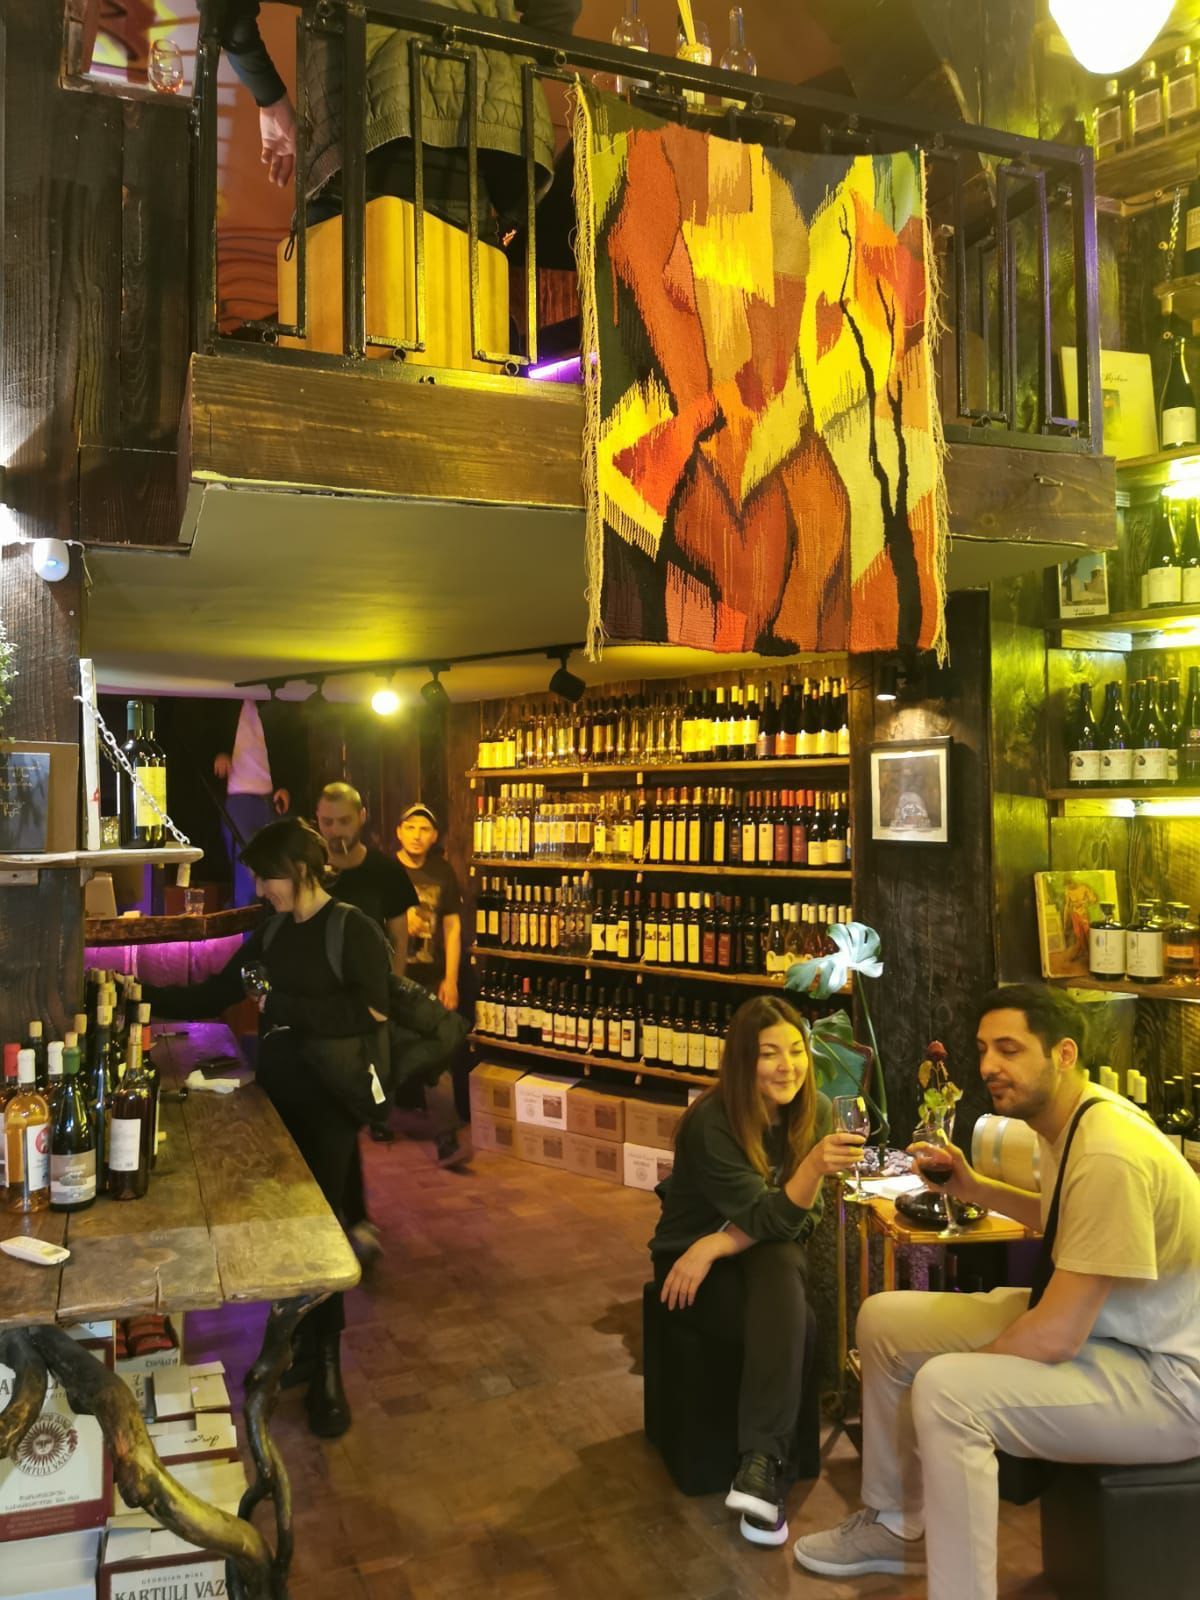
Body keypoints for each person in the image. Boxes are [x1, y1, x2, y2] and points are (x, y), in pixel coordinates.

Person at [793, 984, 1200, 1600]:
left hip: (1167, 1379)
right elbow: (1064, 1220)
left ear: (1063, 1053)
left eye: (1009, 1049)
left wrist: (951, 1380)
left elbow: (1056, 1334)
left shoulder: (1108, 1150)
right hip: (1111, 1332)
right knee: (884, 1320)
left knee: (947, 1392)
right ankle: (898, 1526)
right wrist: (972, 1185)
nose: (988, 1066)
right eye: (984, 1049)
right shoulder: (1071, 1119)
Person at [141, 818, 391, 1441]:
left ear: (299, 870)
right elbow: (214, 993)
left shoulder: (351, 927)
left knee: (321, 1235)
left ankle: (327, 1365)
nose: (259, 888)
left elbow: (371, 1009)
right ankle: (297, 1347)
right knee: (288, 1233)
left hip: (330, 1106)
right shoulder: (273, 931)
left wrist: (283, 1008)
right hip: (277, 1103)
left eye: (266, 876)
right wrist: (135, 993)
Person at [650, 996, 860, 1547]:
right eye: (770, 1054)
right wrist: (707, 1245)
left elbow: (801, 1219)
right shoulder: (712, 1122)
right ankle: (766, 1468)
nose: (787, 1066)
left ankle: (759, 1471)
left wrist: (720, 1243)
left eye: (796, 1050)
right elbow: (772, 1216)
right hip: (687, 1264)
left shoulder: (813, 1113)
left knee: (782, 1259)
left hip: (738, 1252)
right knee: (791, 1307)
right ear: (743, 1060)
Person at [219, 1, 581, 241]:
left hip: (362, 122)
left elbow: (224, 9)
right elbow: (558, 8)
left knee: (343, 312)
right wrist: (506, 73)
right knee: (459, 317)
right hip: (476, 138)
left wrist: (270, 98)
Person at [395, 801, 471, 1166]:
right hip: (392, 978)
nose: (417, 835)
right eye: (410, 827)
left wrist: (451, 979)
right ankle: (377, 1118)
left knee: (439, 1051)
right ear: (399, 832)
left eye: (424, 829)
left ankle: (447, 1139)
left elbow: (452, 927)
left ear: (434, 836)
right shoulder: (386, 871)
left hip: (429, 977)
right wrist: (397, 921)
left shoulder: (442, 871)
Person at [315, 781, 416, 978]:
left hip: (370, 984)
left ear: (362, 816)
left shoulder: (387, 871)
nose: (335, 831)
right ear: (317, 818)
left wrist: (393, 989)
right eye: (327, 822)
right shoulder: (308, 871)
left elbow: (399, 940)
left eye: (344, 821)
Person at [212, 697, 303, 906]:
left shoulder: (280, 705)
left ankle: (279, 909)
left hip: (272, 795)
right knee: (246, 864)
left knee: (278, 859)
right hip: (239, 794)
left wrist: (287, 786)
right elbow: (210, 734)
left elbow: (293, 751)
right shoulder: (223, 702)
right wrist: (220, 754)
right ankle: (248, 912)